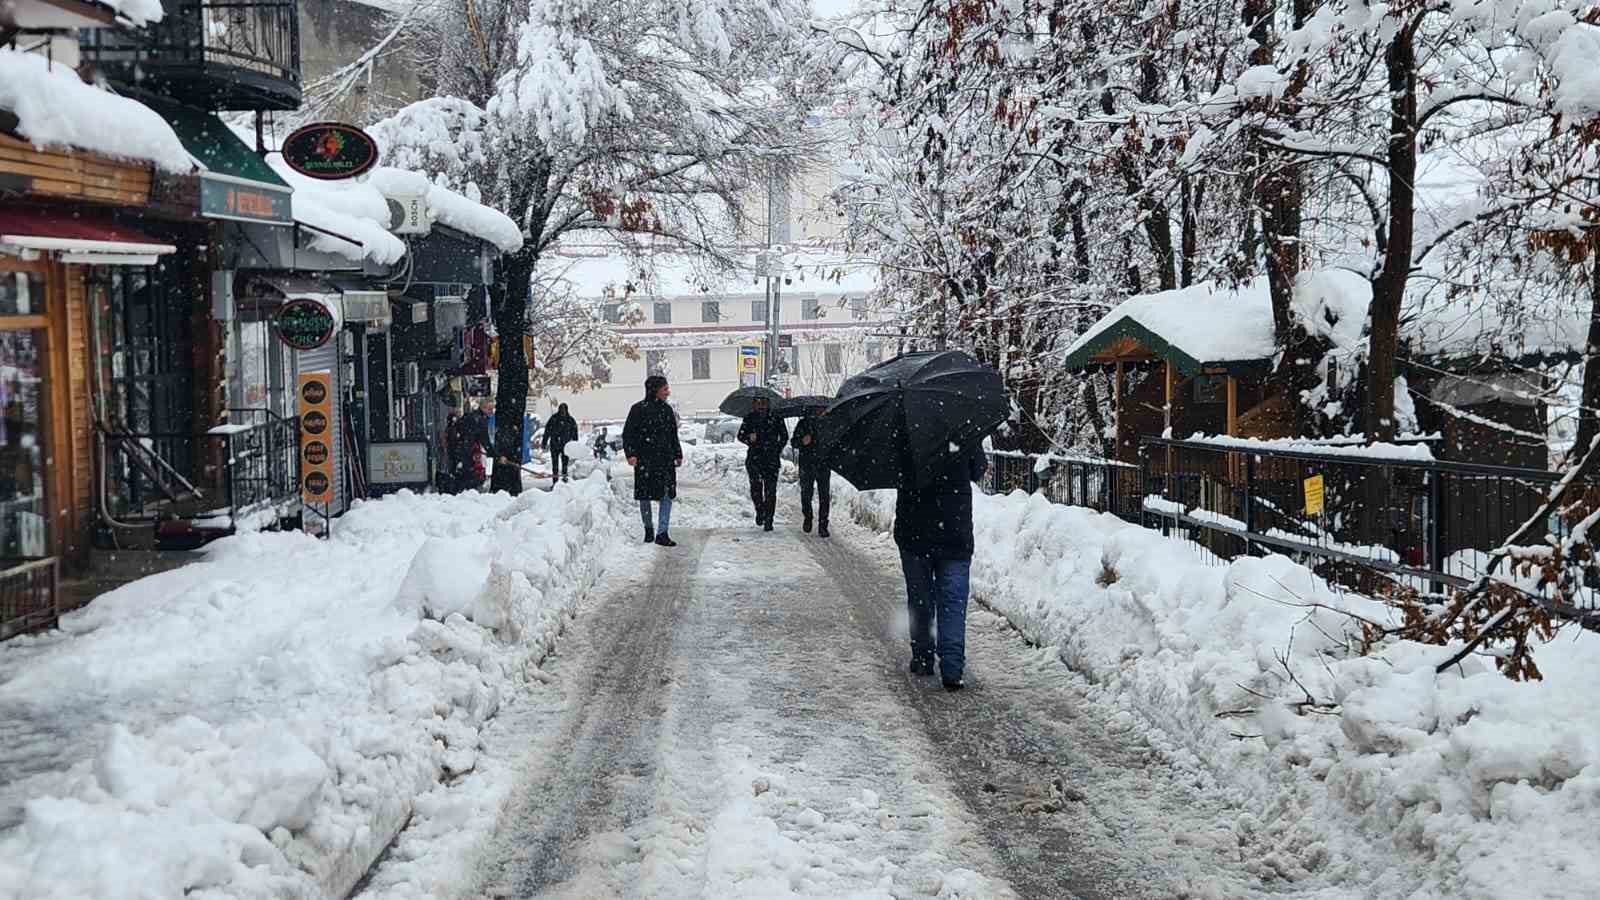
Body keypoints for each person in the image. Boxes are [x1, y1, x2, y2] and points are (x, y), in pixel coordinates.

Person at [896, 442, 988, 692]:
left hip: (914, 532)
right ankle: (952, 667)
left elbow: (892, 470)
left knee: (920, 599)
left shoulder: (905, 430)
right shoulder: (963, 425)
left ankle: (923, 657)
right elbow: (978, 469)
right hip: (955, 532)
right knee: (953, 603)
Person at [623, 374, 683, 546]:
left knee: (666, 495)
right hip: (645, 461)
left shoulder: (667, 410)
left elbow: (673, 435)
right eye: (665, 389)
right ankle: (648, 529)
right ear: (655, 390)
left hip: (665, 460)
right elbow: (628, 434)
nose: (668, 392)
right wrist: (631, 454)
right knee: (645, 496)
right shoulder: (637, 410)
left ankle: (662, 533)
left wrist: (677, 453)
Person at [738, 397, 788, 532]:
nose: (761, 405)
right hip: (754, 459)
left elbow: (784, 436)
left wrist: (777, 448)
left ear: (768, 403)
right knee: (756, 489)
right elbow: (740, 435)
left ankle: (769, 520)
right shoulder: (749, 418)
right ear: (754, 404)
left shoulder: (776, 418)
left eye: (763, 402)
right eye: (757, 402)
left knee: (770, 491)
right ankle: (760, 510)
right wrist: (749, 438)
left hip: (771, 460)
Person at [790, 405, 831, 537]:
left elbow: (834, 441)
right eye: (817, 409)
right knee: (806, 494)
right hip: (807, 464)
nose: (820, 412)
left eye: (822, 409)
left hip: (824, 464)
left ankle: (823, 525)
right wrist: (802, 441)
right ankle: (808, 517)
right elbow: (794, 442)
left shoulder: (828, 423)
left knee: (824, 496)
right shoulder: (803, 424)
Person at [543, 402, 579, 484]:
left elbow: (575, 433)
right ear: (559, 410)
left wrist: (575, 446)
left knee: (565, 466)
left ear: (566, 410)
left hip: (565, 447)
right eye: (561, 410)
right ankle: (555, 483)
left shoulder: (570, 420)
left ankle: (564, 482)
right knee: (555, 466)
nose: (563, 412)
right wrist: (544, 442)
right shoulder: (553, 419)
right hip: (554, 445)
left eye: (564, 410)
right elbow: (547, 431)